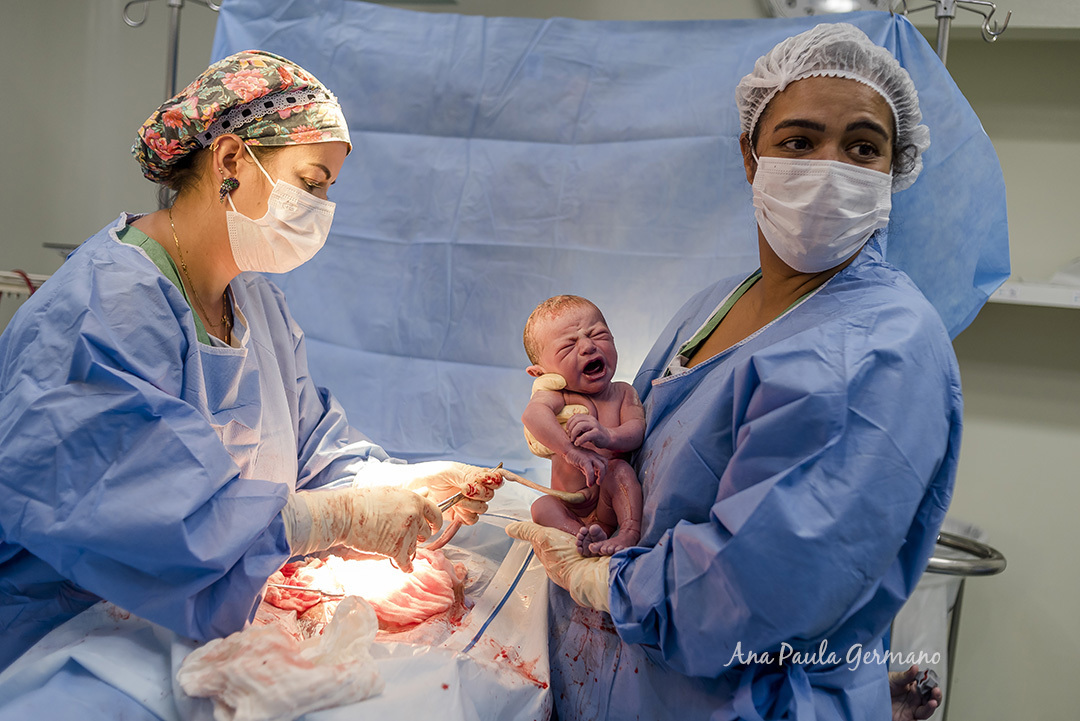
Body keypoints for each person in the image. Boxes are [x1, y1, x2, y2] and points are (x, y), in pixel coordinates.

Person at [507, 22, 959, 720]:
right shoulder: (717, 306)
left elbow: (749, 592)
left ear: (895, 171)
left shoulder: (882, 347)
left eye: (863, 147)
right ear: (751, 157)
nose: (829, 166)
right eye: (799, 142)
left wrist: (602, 581)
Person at [0, 50, 504, 674]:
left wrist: (395, 483)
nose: (322, 208)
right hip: (70, 639)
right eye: (311, 182)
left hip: (198, 631)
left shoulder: (255, 303)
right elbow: (144, 520)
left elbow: (312, 448)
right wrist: (324, 520)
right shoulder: (97, 313)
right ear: (232, 160)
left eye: (329, 190)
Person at [521, 295, 644, 557]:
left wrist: (608, 435)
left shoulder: (622, 393)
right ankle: (577, 533)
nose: (588, 347)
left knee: (619, 470)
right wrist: (570, 450)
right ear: (541, 373)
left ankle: (628, 531)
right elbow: (533, 415)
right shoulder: (559, 396)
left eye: (598, 335)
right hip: (571, 505)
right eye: (568, 346)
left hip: (607, 501)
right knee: (541, 507)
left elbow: (637, 431)